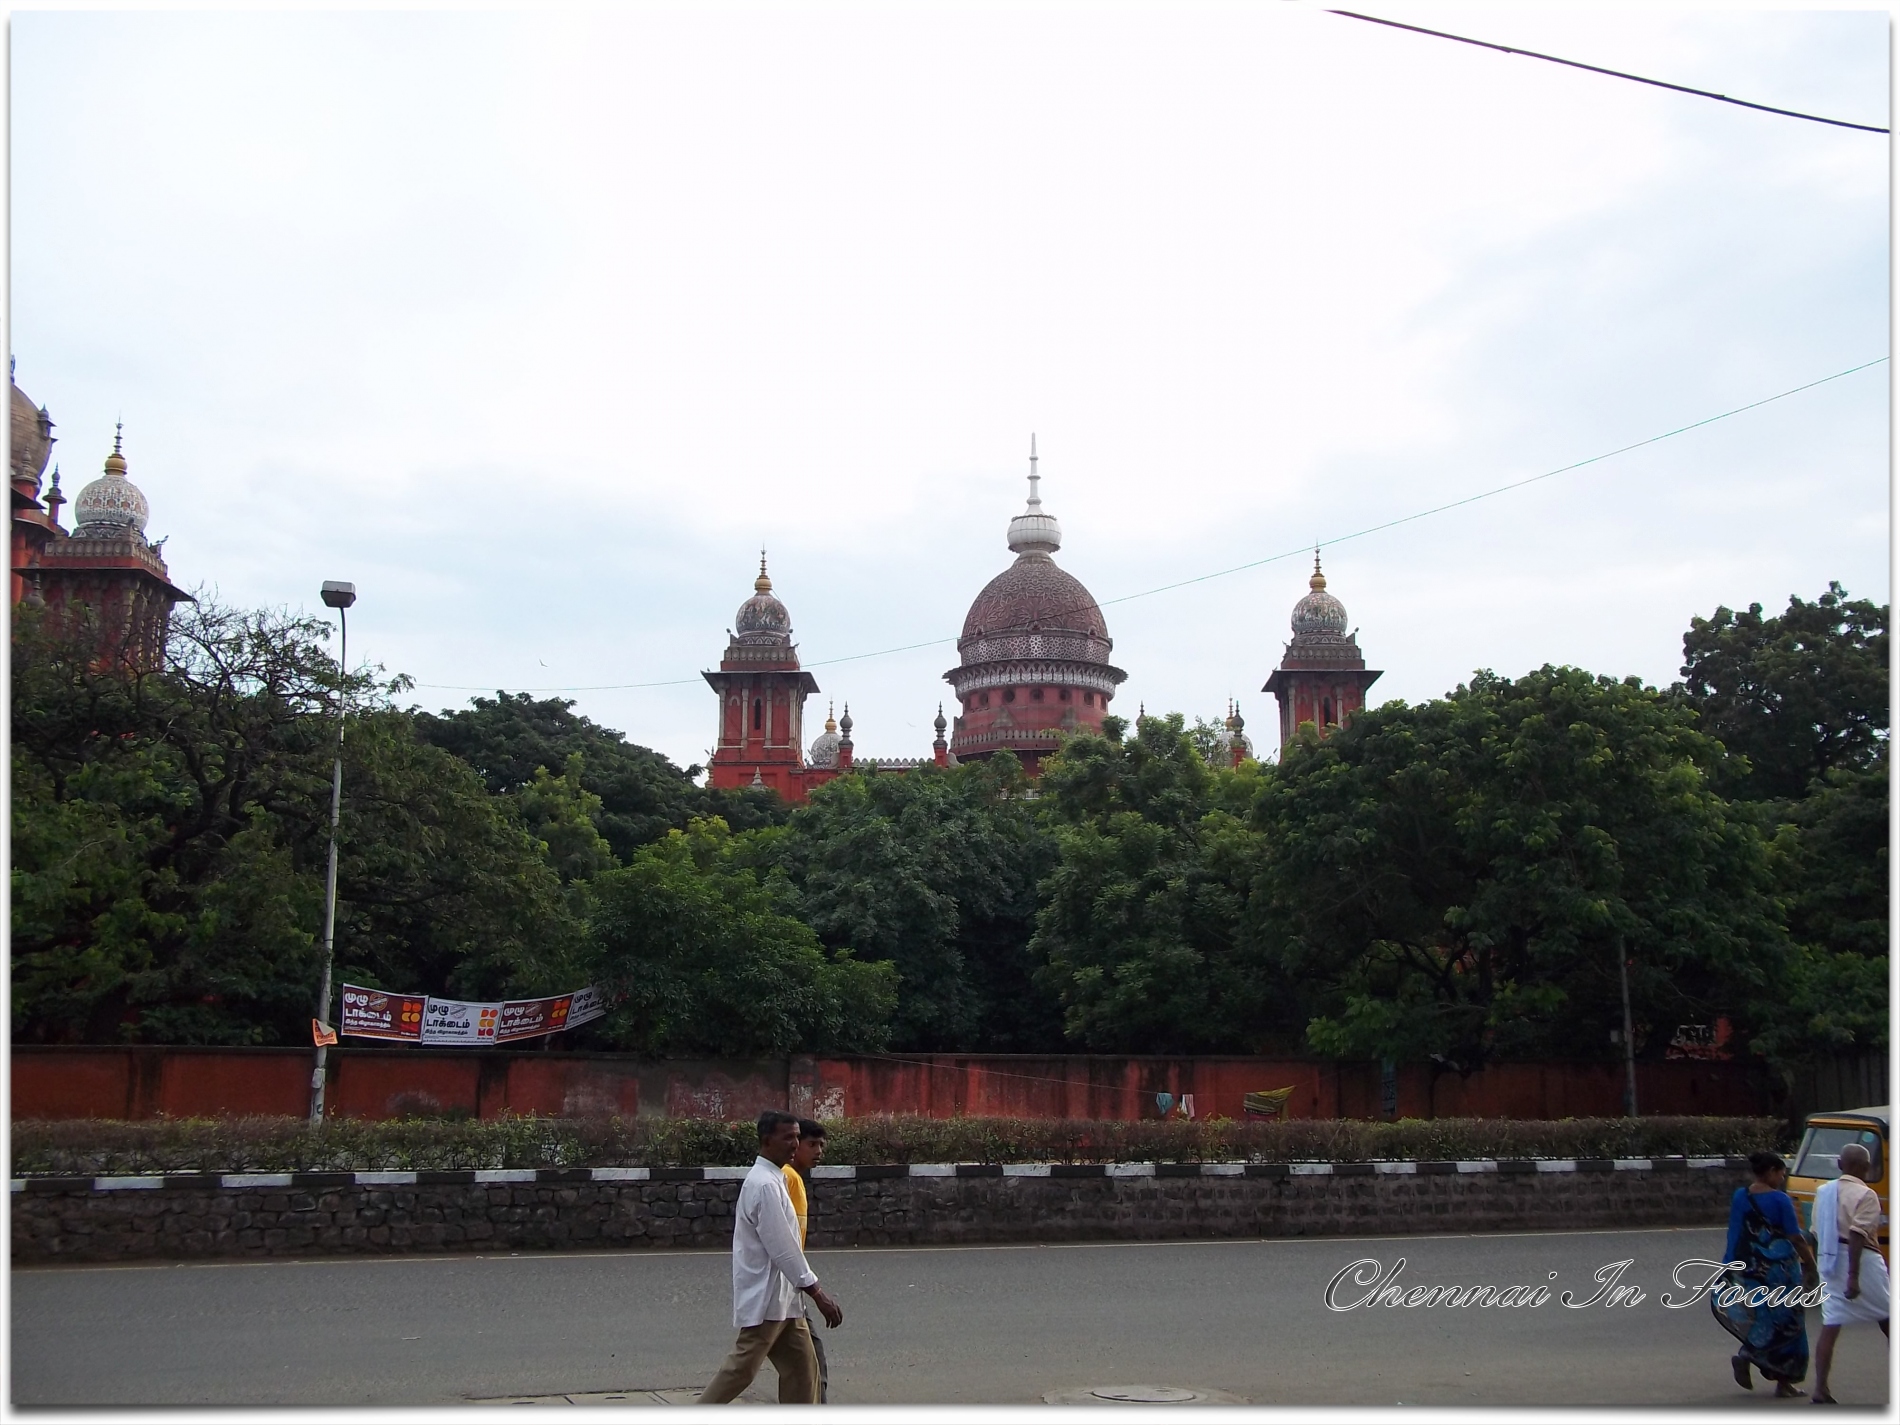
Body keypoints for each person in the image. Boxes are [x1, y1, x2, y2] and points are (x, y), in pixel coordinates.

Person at [697, 1110, 844, 1405]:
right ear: (767, 1141)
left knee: (804, 1372)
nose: (795, 1144)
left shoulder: (775, 1179)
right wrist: (818, 1293)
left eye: (797, 1137)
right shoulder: (764, 1184)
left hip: (786, 1302)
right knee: (741, 1370)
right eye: (788, 1137)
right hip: (766, 1299)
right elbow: (784, 1249)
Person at [1712, 1150, 1816, 1396]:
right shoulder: (1780, 1200)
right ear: (1771, 1172)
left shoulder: (1740, 1196)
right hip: (1779, 1272)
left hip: (1747, 1269)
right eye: (1780, 1173)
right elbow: (1795, 1237)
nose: (1781, 1178)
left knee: (1761, 1318)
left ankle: (1749, 1353)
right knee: (1789, 1324)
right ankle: (1782, 1380)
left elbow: (1737, 1233)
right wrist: (1810, 1263)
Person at [1811, 1141, 1890, 1404]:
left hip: (1830, 1259)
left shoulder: (1823, 1192)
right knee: (1889, 1319)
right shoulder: (1866, 1195)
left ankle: (1821, 1389)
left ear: (1839, 1165)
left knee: (1831, 1323)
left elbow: (1815, 1233)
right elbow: (1858, 1234)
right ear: (1866, 1168)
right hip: (1861, 1262)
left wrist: (1819, 1267)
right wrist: (1853, 1275)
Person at [784, 1118, 831, 1403]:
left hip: (790, 1290)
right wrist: (816, 1291)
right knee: (813, 1363)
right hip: (787, 1290)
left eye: (821, 1145)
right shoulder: (787, 1178)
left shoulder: (794, 1179)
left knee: (805, 1367)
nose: (818, 1151)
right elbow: (784, 1243)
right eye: (812, 1144)